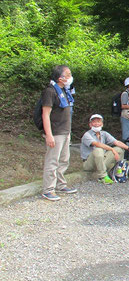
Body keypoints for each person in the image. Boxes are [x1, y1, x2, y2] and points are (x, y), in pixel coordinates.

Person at [40, 65, 78, 201]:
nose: (70, 76)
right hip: (56, 132)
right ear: (60, 78)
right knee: (52, 161)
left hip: (65, 131)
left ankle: (60, 185)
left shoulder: (64, 91)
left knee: (64, 160)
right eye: (68, 74)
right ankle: (48, 189)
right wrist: (49, 135)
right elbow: (45, 114)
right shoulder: (50, 91)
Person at [81, 114, 129, 184]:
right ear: (90, 124)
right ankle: (102, 176)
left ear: (102, 124)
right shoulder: (87, 135)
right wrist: (112, 149)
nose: (96, 124)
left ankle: (117, 170)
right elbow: (97, 144)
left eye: (98, 122)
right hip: (89, 163)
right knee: (99, 150)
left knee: (119, 149)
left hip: (102, 161)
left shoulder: (104, 134)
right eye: (94, 122)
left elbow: (116, 142)